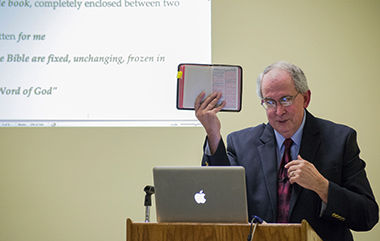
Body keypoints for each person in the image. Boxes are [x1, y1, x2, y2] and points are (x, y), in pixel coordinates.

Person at [194, 61, 378, 241]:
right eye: (270, 102)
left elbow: (367, 216)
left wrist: (322, 186)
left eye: (285, 99)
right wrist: (213, 133)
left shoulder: (340, 140)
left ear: (306, 98)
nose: (279, 111)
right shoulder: (241, 143)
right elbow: (220, 198)